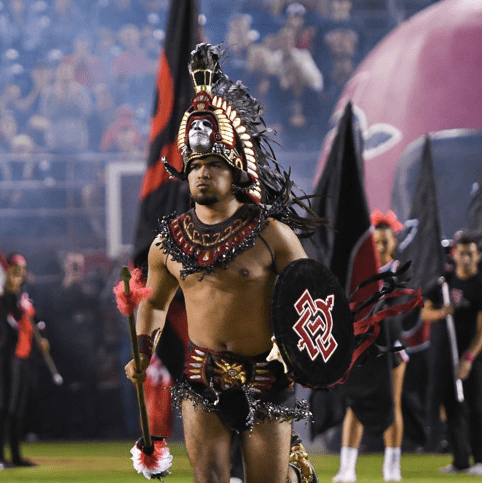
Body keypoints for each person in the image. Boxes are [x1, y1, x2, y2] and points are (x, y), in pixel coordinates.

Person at [123, 43, 321, 483]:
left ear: (236, 173)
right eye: (195, 165)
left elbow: (310, 298)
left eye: (214, 164)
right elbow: (153, 303)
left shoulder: (272, 234)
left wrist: (296, 354)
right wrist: (143, 350)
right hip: (201, 374)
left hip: (266, 376)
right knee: (208, 479)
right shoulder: (167, 243)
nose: (203, 173)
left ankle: (293, 474)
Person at [333, 211, 407, 483]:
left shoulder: (399, 271)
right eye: (376, 242)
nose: (381, 246)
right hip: (361, 345)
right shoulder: (360, 271)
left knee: (391, 403)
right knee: (355, 403)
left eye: (386, 241)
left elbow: (400, 309)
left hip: (389, 345)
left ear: (394, 242)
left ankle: (392, 467)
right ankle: (347, 468)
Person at [420, 233, 482, 476]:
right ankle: (460, 460)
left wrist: (469, 358)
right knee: (450, 408)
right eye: (462, 253)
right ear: (454, 255)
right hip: (444, 356)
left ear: (477, 256)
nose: (466, 258)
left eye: (471, 253)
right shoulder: (444, 283)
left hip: (470, 357)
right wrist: (442, 313)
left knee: (475, 407)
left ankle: (481, 460)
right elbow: (424, 312)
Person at [0, 254, 48, 470]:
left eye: (23, 269)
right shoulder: (1, 296)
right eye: (16, 270)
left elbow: (35, 320)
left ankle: (15, 455)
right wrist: (12, 293)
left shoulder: (24, 295)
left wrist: (42, 337)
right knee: (3, 405)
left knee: (17, 408)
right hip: (6, 356)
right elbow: (10, 319)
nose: (21, 274)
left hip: (22, 356)